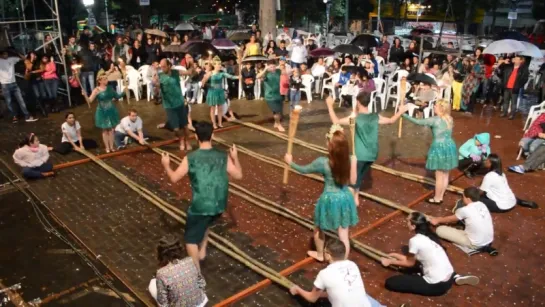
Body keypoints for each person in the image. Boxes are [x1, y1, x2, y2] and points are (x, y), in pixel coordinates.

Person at [161, 122, 242, 271]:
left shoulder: (190, 158)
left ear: (196, 136)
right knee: (206, 221)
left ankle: (196, 273)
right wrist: (235, 157)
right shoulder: (223, 156)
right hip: (219, 204)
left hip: (201, 206)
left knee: (190, 240)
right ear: (212, 135)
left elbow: (174, 178)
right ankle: (202, 250)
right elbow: (238, 175)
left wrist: (166, 165)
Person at [284, 125, 358, 260]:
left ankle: (320, 255)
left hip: (329, 198)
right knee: (343, 234)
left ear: (330, 146)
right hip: (345, 197)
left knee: (319, 228)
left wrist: (290, 163)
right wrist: (354, 162)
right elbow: (353, 180)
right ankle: (343, 261)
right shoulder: (350, 159)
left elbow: (303, 170)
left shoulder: (323, 162)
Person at [326, 93, 407, 206]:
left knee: (352, 180)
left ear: (358, 102)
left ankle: (348, 205)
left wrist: (329, 105)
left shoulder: (355, 118)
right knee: (359, 176)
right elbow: (391, 120)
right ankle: (356, 199)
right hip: (372, 154)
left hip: (359, 155)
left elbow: (336, 121)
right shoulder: (375, 116)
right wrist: (401, 111)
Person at [381, 212, 480, 296]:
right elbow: (412, 259)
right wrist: (396, 256)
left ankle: (420, 277)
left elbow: (410, 263)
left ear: (414, 226)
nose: (406, 223)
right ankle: (456, 277)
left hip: (437, 285)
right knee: (420, 265)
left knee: (391, 282)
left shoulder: (415, 240)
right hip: (449, 274)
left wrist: (389, 261)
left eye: (408, 221)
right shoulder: (430, 237)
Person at [289, 239, 384, 307]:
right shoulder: (352, 264)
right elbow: (340, 290)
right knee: (364, 296)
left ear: (328, 255)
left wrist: (297, 290)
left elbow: (312, 298)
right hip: (365, 305)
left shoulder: (324, 274)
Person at [402, 100, 457, 204]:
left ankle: (437, 198)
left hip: (439, 147)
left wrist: (404, 115)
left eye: (435, 106)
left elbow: (418, 122)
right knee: (445, 174)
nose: (434, 107)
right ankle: (440, 196)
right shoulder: (450, 119)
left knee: (439, 175)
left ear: (441, 108)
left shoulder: (435, 120)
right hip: (450, 145)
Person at [148, 234, 208, 307]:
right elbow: (202, 283)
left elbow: (163, 302)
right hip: (200, 302)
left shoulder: (162, 273)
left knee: (152, 284)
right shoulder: (190, 261)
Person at [430, 187, 495, 252]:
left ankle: (474, 247)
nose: (462, 198)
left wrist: (437, 220)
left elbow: (450, 219)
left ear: (468, 199)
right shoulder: (482, 204)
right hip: (489, 239)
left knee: (440, 230)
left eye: (463, 196)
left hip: (476, 244)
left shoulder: (465, 210)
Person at [153, 59, 193, 151]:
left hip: (179, 103)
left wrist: (191, 63)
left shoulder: (176, 72)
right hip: (169, 105)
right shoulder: (160, 75)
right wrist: (155, 83)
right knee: (175, 128)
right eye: (161, 66)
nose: (162, 68)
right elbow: (156, 87)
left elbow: (189, 72)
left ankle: (187, 141)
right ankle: (181, 139)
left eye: (164, 66)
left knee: (185, 126)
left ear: (169, 66)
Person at [87, 71, 123, 153]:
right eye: (105, 79)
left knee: (111, 129)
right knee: (104, 130)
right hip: (102, 111)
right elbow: (90, 100)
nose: (107, 80)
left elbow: (117, 96)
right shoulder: (96, 90)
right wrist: (85, 95)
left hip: (111, 110)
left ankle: (111, 146)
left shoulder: (110, 88)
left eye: (106, 79)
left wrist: (124, 92)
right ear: (100, 81)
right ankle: (107, 147)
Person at [201, 56, 239, 129]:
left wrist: (238, 77)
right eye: (218, 64)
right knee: (212, 109)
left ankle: (220, 123)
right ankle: (214, 124)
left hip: (220, 92)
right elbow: (203, 82)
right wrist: (204, 80)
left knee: (220, 108)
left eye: (220, 64)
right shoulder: (210, 73)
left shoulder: (222, 73)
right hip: (212, 92)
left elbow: (230, 76)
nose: (219, 66)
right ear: (214, 65)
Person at [0, 49, 38, 123]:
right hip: (4, 84)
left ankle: (27, 116)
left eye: (6, 54)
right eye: (4, 54)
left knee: (21, 100)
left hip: (14, 83)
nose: (6, 56)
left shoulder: (11, 59)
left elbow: (24, 58)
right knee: (9, 102)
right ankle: (14, 116)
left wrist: (17, 52)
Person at [257, 60, 285, 132]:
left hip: (278, 94)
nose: (272, 68)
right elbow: (258, 76)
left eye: (273, 67)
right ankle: (279, 125)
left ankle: (276, 123)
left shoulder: (278, 71)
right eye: (271, 67)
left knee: (279, 111)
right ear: (268, 67)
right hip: (270, 96)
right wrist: (265, 69)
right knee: (276, 111)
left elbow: (284, 72)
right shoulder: (266, 73)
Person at [500, 55, 528, 120]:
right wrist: (503, 62)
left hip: (515, 88)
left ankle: (512, 114)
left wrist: (519, 85)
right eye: (515, 59)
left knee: (513, 102)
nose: (515, 60)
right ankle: (504, 112)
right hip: (507, 86)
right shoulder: (509, 66)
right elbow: (501, 71)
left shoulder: (524, 69)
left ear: (521, 61)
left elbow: (525, 79)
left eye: (517, 59)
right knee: (505, 100)